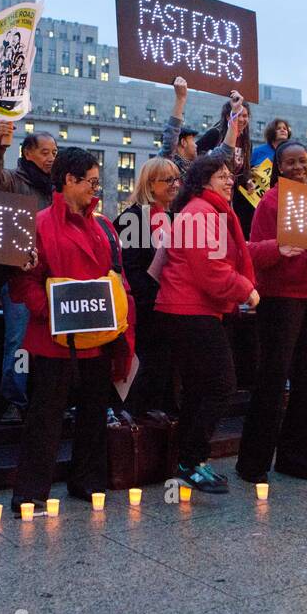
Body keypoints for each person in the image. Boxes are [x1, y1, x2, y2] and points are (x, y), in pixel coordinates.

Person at [8, 147, 135, 513]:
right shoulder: (37, 223)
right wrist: (48, 310)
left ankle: (88, 482)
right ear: (69, 180)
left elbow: (118, 276)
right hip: (52, 341)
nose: (96, 189)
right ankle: (30, 493)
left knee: (95, 415)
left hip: (98, 340)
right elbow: (22, 281)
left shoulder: (106, 227)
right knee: (44, 419)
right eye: (91, 182)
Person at [236, 140, 307, 483]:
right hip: (281, 299)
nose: (298, 167)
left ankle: (297, 458)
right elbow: (253, 253)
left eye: (303, 161)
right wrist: (280, 249)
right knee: (272, 377)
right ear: (280, 167)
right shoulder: (270, 202)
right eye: (291, 163)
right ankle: (253, 463)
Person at [155, 155, 258, 491]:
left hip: (192, 310)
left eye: (231, 175)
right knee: (221, 384)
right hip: (190, 311)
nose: (229, 181)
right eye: (221, 175)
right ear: (203, 181)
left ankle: (190, 462)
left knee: (200, 389)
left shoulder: (206, 211)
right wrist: (246, 290)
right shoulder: (201, 212)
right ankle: (190, 460)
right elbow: (211, 272)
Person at [0, 120, 57, 424]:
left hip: (53, 279)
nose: (51, 157)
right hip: (18, 278)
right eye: (45, 152)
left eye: (55, 152)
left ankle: (47, 399)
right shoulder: (12, 180)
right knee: (19, 343)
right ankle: (14, 400)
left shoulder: (58, 187)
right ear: (27, 153)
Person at [114, 156, 181, 422]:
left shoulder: (175, 217)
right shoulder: (133, 218)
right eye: (168, 180)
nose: (176, 184)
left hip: (171, 305)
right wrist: (152, 299)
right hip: (145, 309)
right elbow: (129, 268)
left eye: (177, 178)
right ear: (150, 184)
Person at [159, 76, 247, 176]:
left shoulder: (199, 168)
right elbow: (171, 136)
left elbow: (225, 152)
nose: (197, 145)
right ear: (183, 142)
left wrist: (235, 113)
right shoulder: (167, 163)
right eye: (192, 140)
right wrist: (180, 99)